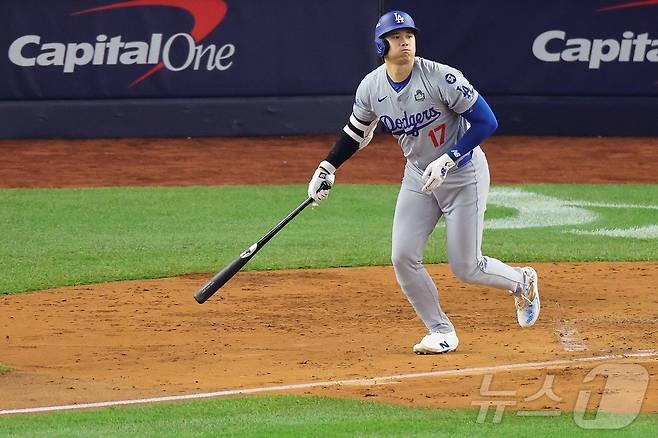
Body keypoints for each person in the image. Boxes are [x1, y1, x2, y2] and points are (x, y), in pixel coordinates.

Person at [307, 10, 540, 354]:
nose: (405, 42)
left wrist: (450, 158)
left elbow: (486, 121)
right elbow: (356, 132)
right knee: (402, 256)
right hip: (418, 175)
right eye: (396, 37)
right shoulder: (371, 88)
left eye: (409, 36)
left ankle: (523, 282)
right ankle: (440, 330)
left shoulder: (441, 77)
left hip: (463, 175)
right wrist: (327, 166)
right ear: (380, 45)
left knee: (466, 267)